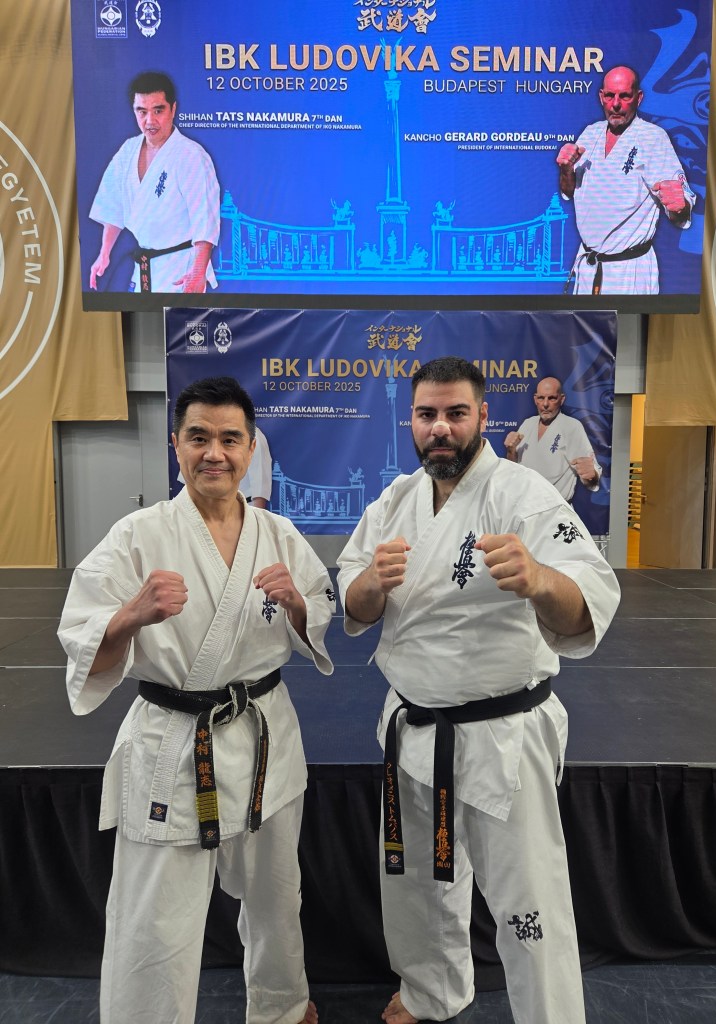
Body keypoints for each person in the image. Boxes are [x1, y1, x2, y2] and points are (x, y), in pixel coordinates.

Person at [336, 357, 620, 1024]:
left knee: (528, 903)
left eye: (455, 413)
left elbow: (592, 595)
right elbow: (352, 597)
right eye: (427, 414)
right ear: (410, 421)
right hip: (413, 732)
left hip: (501, 738)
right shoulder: (395, 500)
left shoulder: (523, 495)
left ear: (483, 417)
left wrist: (540, 578)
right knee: (417, 885)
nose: (440, 427)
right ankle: (432, 990)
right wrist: (371, 582)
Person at [58, 376, 334, 1024]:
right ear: (175, 444)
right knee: (155, 918)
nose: (215, 453)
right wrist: (131, 614)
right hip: (174, 744)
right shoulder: (137, 535)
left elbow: (319, 614)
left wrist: (298, 605)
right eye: (199, 437)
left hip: (265, 742)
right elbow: (82, 635)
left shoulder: (279, 534)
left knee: (277, 896)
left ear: (251, 448)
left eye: (230, 439)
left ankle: (282, 1005)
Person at [557, 65, 696, 294]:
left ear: (638, 98)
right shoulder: (590, 134)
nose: (616, 104)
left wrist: (680, 206)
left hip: (629, 271)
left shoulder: (653, 138)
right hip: (588, 265)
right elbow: (570, 191)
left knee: (629, 320)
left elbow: (679, 204)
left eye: (624, 96)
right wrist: (565, 170)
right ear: (601, 97)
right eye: (610, 96)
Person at [89, 71, 220, 293]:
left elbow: (204, 218)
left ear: (173, 109)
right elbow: (113, 205)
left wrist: (198, 272)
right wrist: (104, 253)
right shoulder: (128, 150)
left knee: (181, 317)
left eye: (158, 110)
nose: (150, 121)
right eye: (142, 112)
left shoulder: (191, 155)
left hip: (181, 270)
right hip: (143, 268)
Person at [503, 376, 602, 502]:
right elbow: (514, 468)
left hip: (555, 507)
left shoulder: (572, 426)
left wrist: (592, 475)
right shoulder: (527, 424)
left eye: (552, 398)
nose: (545, 404)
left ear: (561, 399)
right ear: (535, 399)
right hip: (524, 505)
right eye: (541, 398)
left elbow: (590, 475)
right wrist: (510, 450)